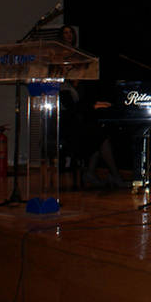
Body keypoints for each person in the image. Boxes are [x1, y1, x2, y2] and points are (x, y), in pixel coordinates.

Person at [56, 25, 125, 188]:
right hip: (69, 127)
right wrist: (94, 105)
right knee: (100, 137)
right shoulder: (64, 87)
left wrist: (96, 104)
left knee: (101, 134)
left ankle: (94, 173)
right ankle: (111, 176)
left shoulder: (80, 84)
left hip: (80, 122)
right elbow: (73, 108)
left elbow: (84, 103)